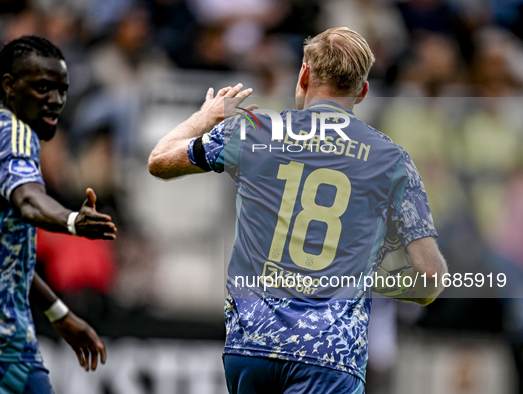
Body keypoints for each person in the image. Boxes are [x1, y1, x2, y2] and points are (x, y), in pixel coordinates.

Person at [149, 27, 448, 393]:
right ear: (362, 91)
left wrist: (206, 116)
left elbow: (159, 160)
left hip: (251, 348)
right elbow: (430, 277)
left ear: (304, 74)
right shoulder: (391, 160)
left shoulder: (253, 130)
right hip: (329, 355)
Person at [0, 34, 117, 394]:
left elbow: (2, 254)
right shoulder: (14, 132)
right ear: (9, 86)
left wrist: (59, 314)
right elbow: (28, 199)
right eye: (43, 88)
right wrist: (71, 221)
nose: (56, 101)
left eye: (62, 90)